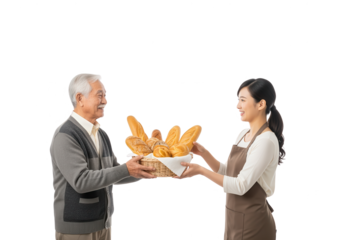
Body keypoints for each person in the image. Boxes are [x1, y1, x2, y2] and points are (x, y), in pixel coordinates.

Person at [174, 76, 286, 240]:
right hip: (234, 220)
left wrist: (201, 171)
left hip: (255, 225)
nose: (237, 106)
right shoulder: (242, 134)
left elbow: (241, 185)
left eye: (242, 100)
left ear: (261, 104)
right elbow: (227, 171)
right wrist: (203, 153)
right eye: (237, 100)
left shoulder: (266, 141)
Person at [51, 72, 157, 240]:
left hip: (104, 225)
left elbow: (115, 174)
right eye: (100, 96)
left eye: (105, 96)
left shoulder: (101, 133)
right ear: (80, 99)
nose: (105, 101)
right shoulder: (66, 135)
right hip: (76, 230)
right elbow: (81, 181)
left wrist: (147, 170)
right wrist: (125, 169)